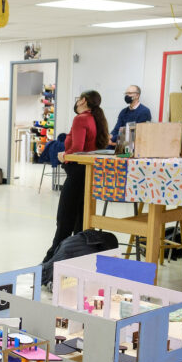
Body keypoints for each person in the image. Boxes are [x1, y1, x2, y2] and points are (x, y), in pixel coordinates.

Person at [42, 91, 110, 263]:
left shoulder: (80, 119)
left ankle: (51, 262)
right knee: (80, 222)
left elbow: (77, 148)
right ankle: (75, 261)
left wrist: (63, 155)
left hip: (77, 173)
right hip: (88, 175)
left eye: (78, 99)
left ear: (83, 101)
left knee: (64, 220)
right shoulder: (96, 118)